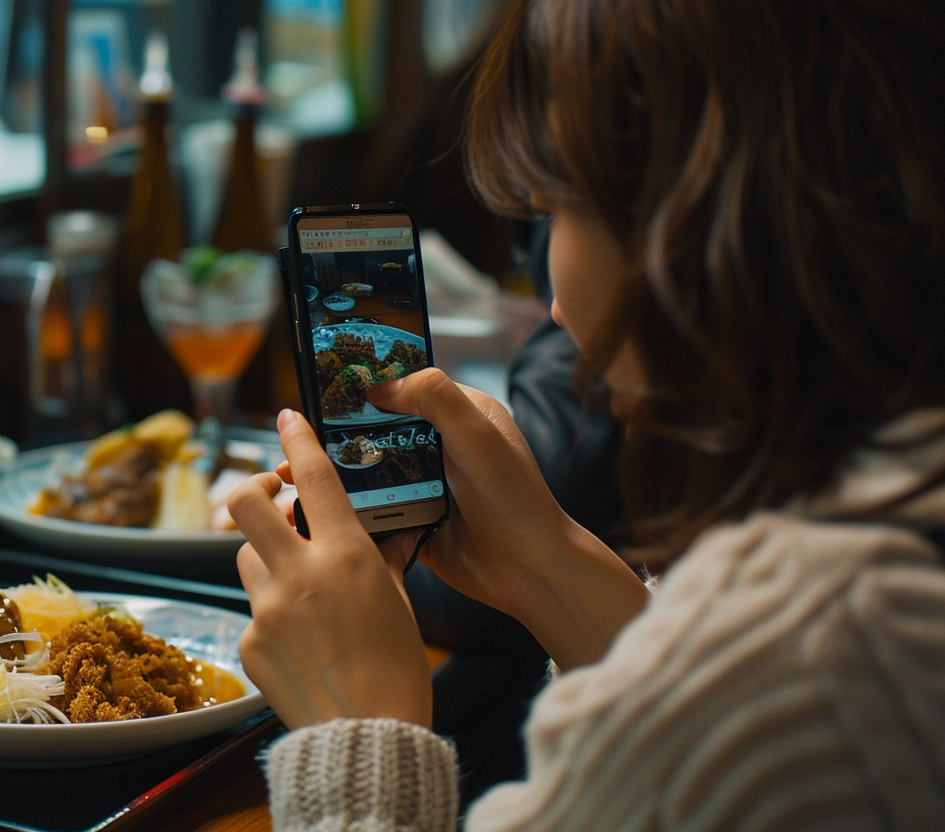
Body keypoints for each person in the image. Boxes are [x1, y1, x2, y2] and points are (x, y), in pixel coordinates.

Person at [228, 0, 945, 829]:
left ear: (701, 219)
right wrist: (548, 565)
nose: (559, 308)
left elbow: (723, 704)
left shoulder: (813, 639)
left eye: (553, 207)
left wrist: (357, 736)